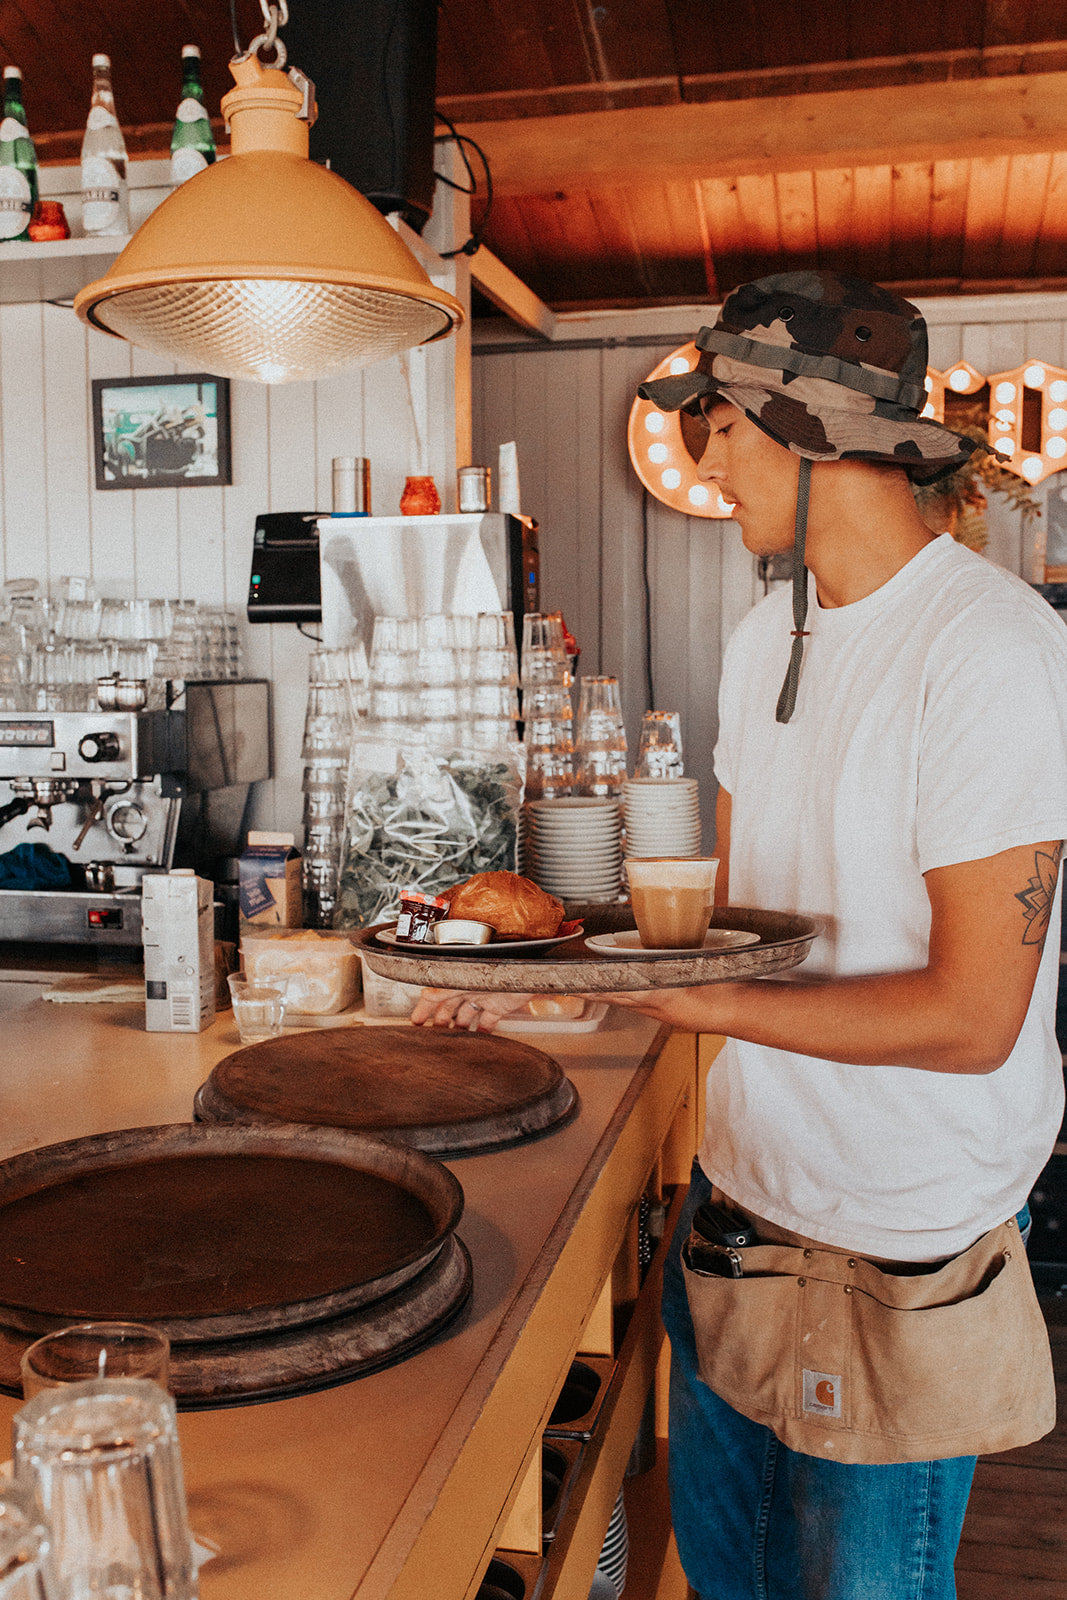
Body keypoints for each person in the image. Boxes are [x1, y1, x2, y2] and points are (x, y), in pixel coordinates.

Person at [412, 271, 1067, 1600]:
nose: (707, 459)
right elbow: (722, 926)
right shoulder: (773, 624)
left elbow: (970, 1015)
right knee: (729, 1583)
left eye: (718, 421)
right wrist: (545, 953)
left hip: (899, 1247)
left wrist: (684, 1002)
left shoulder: (990, 648)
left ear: (809, 426)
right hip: (746, 1209)